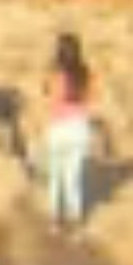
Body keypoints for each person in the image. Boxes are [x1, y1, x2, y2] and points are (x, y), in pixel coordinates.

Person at [40, 30, 97, 233]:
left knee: (56, 177)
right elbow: (91, 99)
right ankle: (76, 221)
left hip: (59, 128)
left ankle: (55, 221)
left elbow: (50, 96)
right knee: (73, 179)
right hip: (80, 129)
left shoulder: (56, 73)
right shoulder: (86, 73)